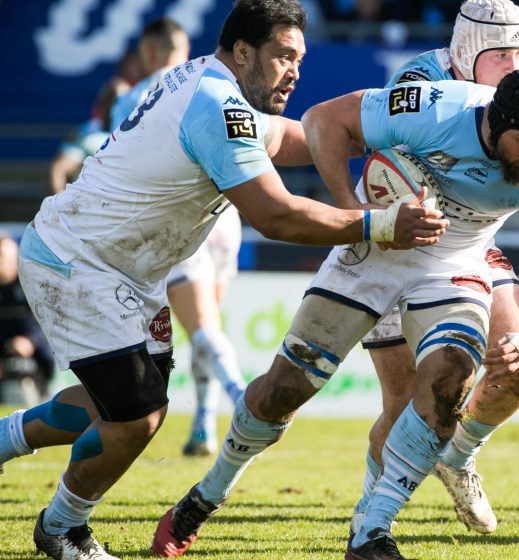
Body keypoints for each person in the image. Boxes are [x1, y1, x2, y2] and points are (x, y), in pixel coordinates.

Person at [0, 1, 445, 558]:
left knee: (111, 405)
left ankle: (4, 439)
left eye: (300, 59)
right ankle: (62, 527)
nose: (295, 71)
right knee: (136, 418)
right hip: (80, 262)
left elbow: (286, 138)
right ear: (242, 51)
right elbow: (276, 215)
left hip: (116, 266)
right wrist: (381, 224)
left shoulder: (211, 85)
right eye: (283, 56)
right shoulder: (217, 105)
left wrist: (372, 137)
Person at [151, 68, 519, 560]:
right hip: (373, 249)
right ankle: (202, 499)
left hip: (452, 265)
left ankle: (372, 531)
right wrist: (358, 217)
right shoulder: (436, 109)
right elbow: (322, 120)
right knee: (283, 391)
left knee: (450, 382)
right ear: (494, 121)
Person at [335, 0, 519, 536]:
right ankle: (370, 514)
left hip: (473, 242)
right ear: (469, 48)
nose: (515, 63)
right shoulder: (420, 81)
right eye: (503, 53)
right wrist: (357, 216)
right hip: (404, 246)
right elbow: (381, 165)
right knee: (405, 400)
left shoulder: (517, 91)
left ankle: (459, 455)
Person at [111, 17, 250, 457]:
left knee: (200, 327)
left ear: (149, 52)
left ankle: (241, 399)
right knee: (208, 326)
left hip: (178, 218)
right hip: (226, 215)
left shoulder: (139, 94)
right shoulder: (209, 82)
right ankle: (205, 425)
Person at [47, 78, 129, 194]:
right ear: (102, 104)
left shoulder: (138, 133)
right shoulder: (88, 133)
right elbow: (59, 169)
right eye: (113, 101)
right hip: (91, 205)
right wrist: (61, 202)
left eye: (123, 102)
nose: (116, 107)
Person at [0, 233, 54, 404]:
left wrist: (30, 341)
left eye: (2, 256)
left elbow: (50, 320)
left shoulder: (34, 283)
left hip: (36, 363)